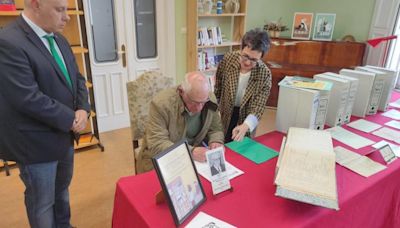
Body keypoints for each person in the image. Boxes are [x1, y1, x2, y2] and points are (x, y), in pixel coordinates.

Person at [0, 0, 90, 227]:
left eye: (67, 9)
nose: (67, 17)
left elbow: (77, 78)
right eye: (60, 10)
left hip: (64, 137)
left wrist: (82, 108)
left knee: (62, 192)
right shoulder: (8, 41)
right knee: (42, 203)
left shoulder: (59, 38)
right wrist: (71, 118)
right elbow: (27, 98)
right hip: (36, 143)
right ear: (35, 4)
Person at [136, 71, 225, 173]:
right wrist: (190, 152)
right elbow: (157, 143)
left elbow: (215, 129)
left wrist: (216, 141)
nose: (199, 108)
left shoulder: (209, 98)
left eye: (203, 103)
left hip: (195, 158)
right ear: (181, 91)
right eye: (194, 102)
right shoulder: (161, 105)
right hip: (164, 158)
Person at [214, 28, 272, 142]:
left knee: (241, 148)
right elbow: (218, 89)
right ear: (241, 49)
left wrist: (246, 126)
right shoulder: (228, 60)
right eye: (245, 56)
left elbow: (258, 107)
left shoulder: (264, 74)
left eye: (254, 60)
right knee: (221, 141)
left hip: (247, 116)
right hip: (224, 112)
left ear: (261, 58)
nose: (247, 62)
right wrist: (214, 112)